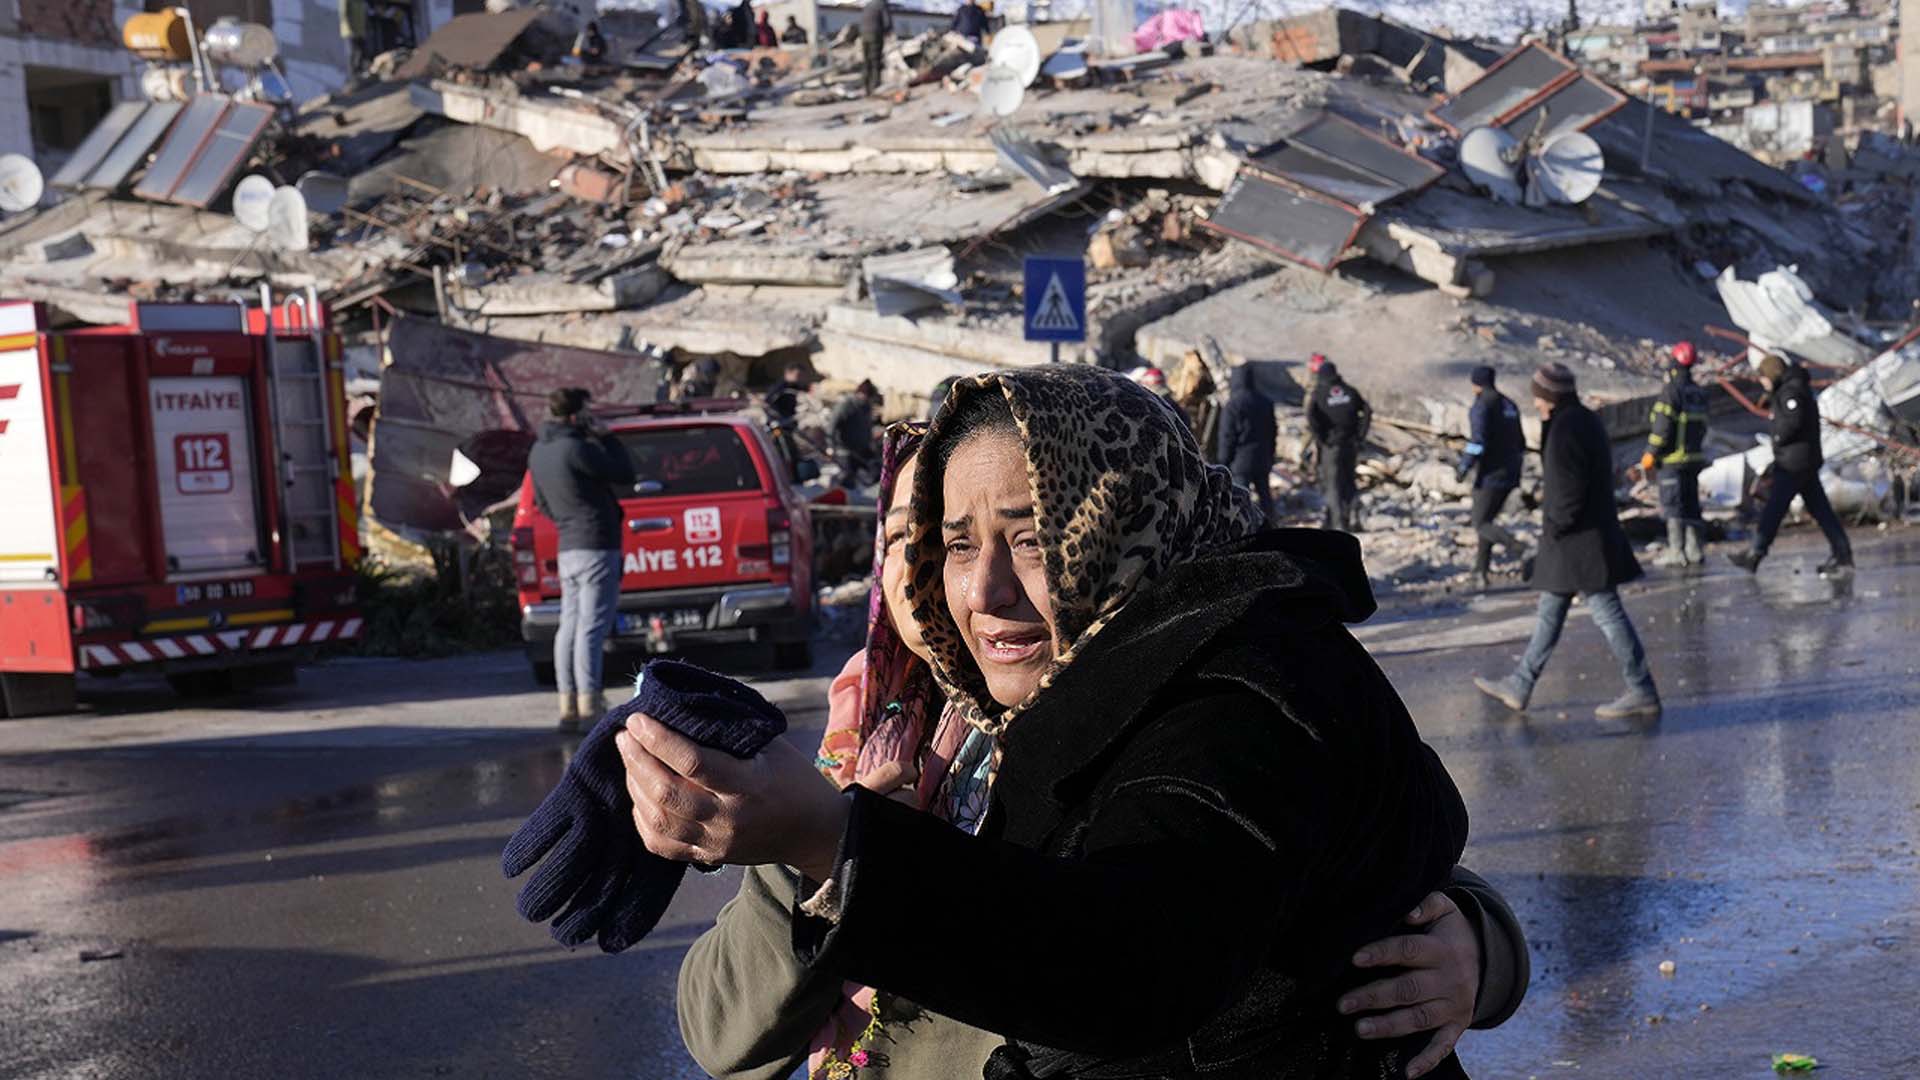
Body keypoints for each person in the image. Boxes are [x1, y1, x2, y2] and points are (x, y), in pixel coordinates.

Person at [620, 365, 1492, 1078]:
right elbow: (721, 1034)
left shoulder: (1203, 680)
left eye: (1032, 538)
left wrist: (1478, 946)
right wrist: (806, 849)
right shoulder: (870, 731)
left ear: (1117, 527)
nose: (974, 590)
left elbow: (1211, 898)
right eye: (946, 543)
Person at [1475, 363, 1660, 723]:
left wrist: (1555, 528)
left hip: (1578, 539)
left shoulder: (1566, 428)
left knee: (1606, 610)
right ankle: (1521, 684)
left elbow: (1568, 488)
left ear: (1548, 397)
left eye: (1538, 397)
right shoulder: (1580, 420)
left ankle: (1641, 688)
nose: (1535, 403)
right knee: (1550, 610)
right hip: (1582, 535)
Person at [527, 387, 636, 732]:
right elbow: (623, 473)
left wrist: (566, 520)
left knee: (569, 626)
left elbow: (542, 503)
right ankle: (590, 704)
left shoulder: (538, 451)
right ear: (576, 415)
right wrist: (608, 438)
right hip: (596, 544)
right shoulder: (577, 448)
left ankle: (568, 705)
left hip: (568, 546)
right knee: (591, 627)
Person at [1728, 353, 1853, 577]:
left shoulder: (1791, 392)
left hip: (1794, 462)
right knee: (1821, 510)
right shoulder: (1792, 388)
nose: (1763, 383)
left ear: (1773, 374)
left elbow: (1793, 421)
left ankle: (1755, 554)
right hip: (1801, 459)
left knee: (1774, 509)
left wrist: (1777, 439)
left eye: (1764, 378)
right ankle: (1843, 554)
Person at [1455, 364, 1526, 592]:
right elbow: (1521, 442)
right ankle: (1480, 573)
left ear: (1475, 384)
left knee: (1480, 523)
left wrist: (1464, 467)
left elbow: (1478, 441)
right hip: (1511, 471)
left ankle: (1519, 548)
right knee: (1487, 520)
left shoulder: (1482, 405)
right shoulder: (1509, 404)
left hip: (1490, 474)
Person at [1640, 341, 1709, 568]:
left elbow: (1662, 429)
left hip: (1672, 461)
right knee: (1691, 505)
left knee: (1673, 506)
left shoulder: (1671, 393)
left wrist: (1651, 453)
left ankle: (1676, 551)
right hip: (1693, 459)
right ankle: (1695, 549)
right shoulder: (1698, 393)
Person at [1307, 353, 1371, 531]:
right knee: (1349, 481)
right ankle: (1355, 519)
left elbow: (1311, 417)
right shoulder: (1350, 391)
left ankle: (1338, 526)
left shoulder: (1320, 394)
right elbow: (1367, 410)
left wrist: (1321, 438)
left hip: (1331, 447)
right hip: (1350, 445)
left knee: (1333, 486)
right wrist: (1360, 436)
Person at [1217, 364, 1277, 522]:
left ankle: (1246, 531)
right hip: (1262, 459)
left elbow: (1227, 436)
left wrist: (1223, 461)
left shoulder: (1233, 405)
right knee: (1265, 498)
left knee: (1240, 501)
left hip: (1240, 462)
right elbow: (1273, 432)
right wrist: (1271, 455)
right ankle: (1271, 527)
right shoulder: (1266, 402)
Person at [831, 379, 881, 486]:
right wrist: (831, 446)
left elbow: (867, 426)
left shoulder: (866, 406)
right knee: (848, 476)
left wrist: (870, 442)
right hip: (846, 449)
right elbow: (832, 426)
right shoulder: (846, 405)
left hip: (862, 447)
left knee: (877, 468)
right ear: (860, 393)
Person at [859, 0, 892, 95]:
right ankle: (875, 87)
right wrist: (888, 31)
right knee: (875, 61)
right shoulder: (882, 4)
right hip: (875, 34)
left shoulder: (869, 5)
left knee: (867, 61)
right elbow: (887, 21)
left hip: (864, 35)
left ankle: (866, 87)